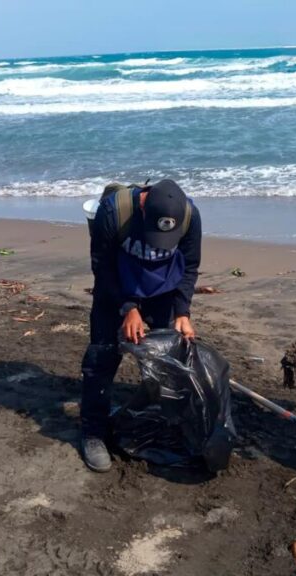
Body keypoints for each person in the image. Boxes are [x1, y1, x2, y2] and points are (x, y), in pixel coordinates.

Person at [80, 178, 202, 472]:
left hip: (162, 295)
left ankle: (158, 422)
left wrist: (182, 312)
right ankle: (93, 433)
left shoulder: (189, 216)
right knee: (101, 359)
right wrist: (128, 308)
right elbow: (102, 267)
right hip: (116, 290)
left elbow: (190, 265)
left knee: (164, 363)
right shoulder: (114, 213)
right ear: (144, 207)